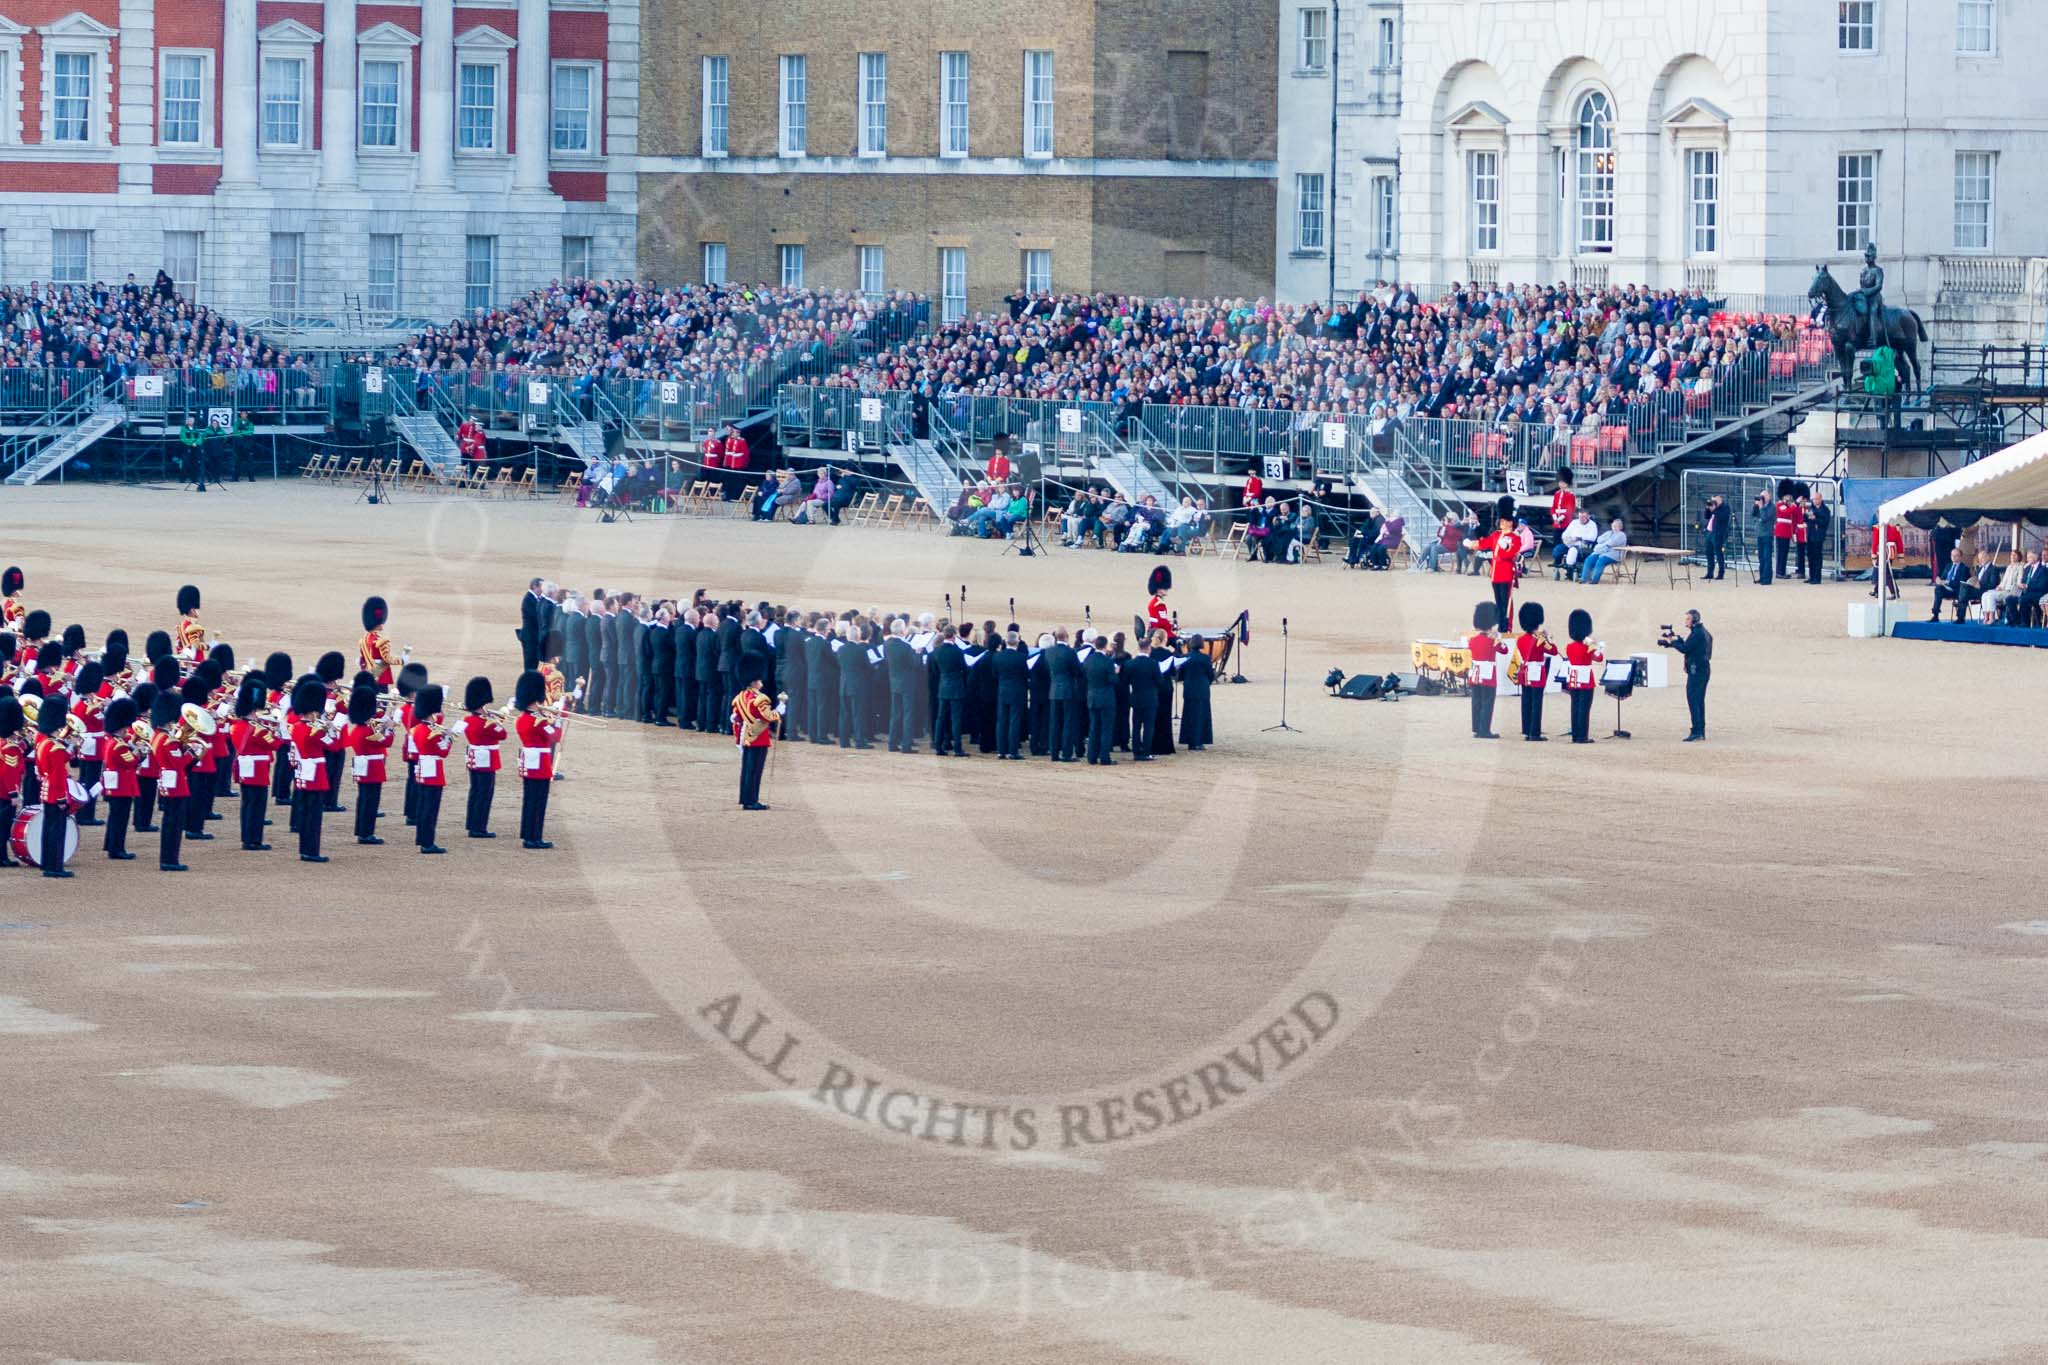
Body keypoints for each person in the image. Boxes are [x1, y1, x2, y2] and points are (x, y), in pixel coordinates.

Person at [229, 676, 280, 851]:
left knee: (247, 803)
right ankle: (253, 840)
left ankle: (247, 837)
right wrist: (278, 728)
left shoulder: (238, 725)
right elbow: (274, 744)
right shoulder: (256, 728)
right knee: (257, 805)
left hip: (244, 767)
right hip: (257, 769)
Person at [513, 670, 561, 846]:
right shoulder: (538, 721)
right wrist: (557, 721)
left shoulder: (523, 718)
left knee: (529, 799)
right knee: (538, 801)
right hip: (540, 763)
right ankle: (535, 837)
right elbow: (555, 737)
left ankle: (528, 834)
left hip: (529, 760)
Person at [287, 678, 332, 863]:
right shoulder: (314, 731)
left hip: (303, 772)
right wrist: (329, 728)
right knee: (313, 815)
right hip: (315, 773)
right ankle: (312, 851)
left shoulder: (296, 727)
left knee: (305, 812)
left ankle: (305, 848)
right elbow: (333, 746)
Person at [149, 691, 195, 872]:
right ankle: (170, 860)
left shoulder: (158, 736)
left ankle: (168, 859)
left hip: (168, 781)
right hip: (176, 783)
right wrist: (191, 752)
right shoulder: (168, 740)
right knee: (174, 824)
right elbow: (179, 763)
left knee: (170, 821)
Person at [31, 697, 74, 877]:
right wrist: (62, 798)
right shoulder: (55, 747)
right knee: (57, 831)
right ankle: (55, 867)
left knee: (48, 829)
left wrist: (71, 749)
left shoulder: (44, 744)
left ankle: (46, 863)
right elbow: (58, 775)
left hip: (46, 791)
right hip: (55, 792)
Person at [345, 685, 393, 845]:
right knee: (371, 800)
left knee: (364, 798)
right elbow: (387, 742)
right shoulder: (367, 731)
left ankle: (361, 830)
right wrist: (389, 729)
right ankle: (366, 833)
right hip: (372, 768)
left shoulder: (359, 729)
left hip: (363, 765)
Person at [97, 697, 142, 861]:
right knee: (120, 818)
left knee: (114, 815)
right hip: (122, 785)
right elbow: (131, 761)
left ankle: (110, 844)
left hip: (114, 783)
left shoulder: (111, 741)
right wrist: (140, 752)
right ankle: (117, 849)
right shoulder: (119, 745)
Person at [1660, 610, 1713, 741]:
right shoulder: (1701, 632)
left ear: (1694, 620)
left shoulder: (1697, 633)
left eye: (1688, 619)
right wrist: (1676, 641)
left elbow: (1685, 649)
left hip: (1697, 672)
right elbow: (1690, 646)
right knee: (1699, 700)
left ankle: (1696, 731)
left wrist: (1672, 643)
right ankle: (1700, 730)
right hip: (1702, 670)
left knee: (1693, 700)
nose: (1686, 621)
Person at [462, 676, 505, 838]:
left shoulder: (469, 719)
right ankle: (479, 827)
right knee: (484, 793)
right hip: (486, 759)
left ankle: (472, 824)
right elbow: (503, 735)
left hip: (474, 757)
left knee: (475, 791)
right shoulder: (486, 722)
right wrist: (496, 721)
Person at [731, 671, 781, 811]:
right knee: (755, 771)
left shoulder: (740, 697)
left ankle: (746, 799)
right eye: (759, 681)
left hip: (746, 737)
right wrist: (779, 711)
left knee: (747, 769)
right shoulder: (760, 699)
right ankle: (752, 801)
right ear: (753, 682)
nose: (761, 684)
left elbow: (736, 718)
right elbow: (767, 716)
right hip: (758, 738)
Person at [1466, 516, 1521, 631]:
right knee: (1499, 601)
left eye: (1505, 521)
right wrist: (1471, 544)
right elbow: (1485, 543)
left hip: (1506, 572)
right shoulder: (1496, 534)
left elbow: (1511, 554)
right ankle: (1501, 623)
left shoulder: (1515, 538)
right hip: (1495, 573)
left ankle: (1506, 626)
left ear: (1511, 523)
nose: (1502, 523)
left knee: (1506, 601)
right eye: (1502, 520)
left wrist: (1506, 547)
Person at [1511, 602, 1556, 743]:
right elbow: (1553, 651)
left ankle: (1527, 729)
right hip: (1537, 671)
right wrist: (1547, 639)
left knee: (1526, 700)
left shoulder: (1521, 639)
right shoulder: (1539, 640)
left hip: (1526, 672)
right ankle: (1534, 732)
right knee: (1537, 701)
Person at [1562, 609, 1604, 744]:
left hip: (1574, 678)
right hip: (1585, 679)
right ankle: (1582, 736)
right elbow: (1599, 658)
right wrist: (1596, 647)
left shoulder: (1569, 646)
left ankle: (1575, 735)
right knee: (1584, 708)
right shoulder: (1587, 647)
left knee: (1575, 706)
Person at [1465, 603, 1501, 739]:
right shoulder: (1492, 641)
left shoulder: (1473, 640)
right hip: (1488, 674)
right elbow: (1504, 650)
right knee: (1487, 701)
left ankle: (1477, 729)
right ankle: (1485, 730)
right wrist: (1497, 638)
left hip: (1475, 673)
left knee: (1477, 701)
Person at [1046, 627, 1081, 762]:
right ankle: (1066, 753)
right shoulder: (1070, 652)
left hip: (1054, 690)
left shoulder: (1049, 652)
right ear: (1066, 637)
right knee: (1067, 722)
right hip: (1068, 690)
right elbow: (1077, 671)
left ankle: (1054, 753)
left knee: (1054, 722)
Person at [1083, 635, 1119, 765]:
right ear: (1104, 646)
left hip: (1092, 696)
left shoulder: (1088, 660)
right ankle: (1104, 757)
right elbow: (1114, 680)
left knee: (1094, 728)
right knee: (1106, 728)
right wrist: (1116, 672)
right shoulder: (1108, 662)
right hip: (1106, 698)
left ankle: (1091, 756)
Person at [992, 632, 1029, 759]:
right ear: (1017, 642)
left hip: (1002, 690)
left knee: (1001, 721)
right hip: (1017, 691)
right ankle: (1013, 751)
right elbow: (1026, 675)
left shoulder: (997, 656)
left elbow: (994, 674)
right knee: (1014, 721)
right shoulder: (1022, 657)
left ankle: (1001, 750)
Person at [1176, 638, 1214, 750]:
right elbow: (1210, 674)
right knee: (1201, 715)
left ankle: (1190, 740)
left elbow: (1180, 675)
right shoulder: (1206, 658)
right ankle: (1198, 741)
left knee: (1189, 715)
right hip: (1202, 689)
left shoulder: (1185, 657)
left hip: (1189, 689)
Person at [357, 596, 401, 689]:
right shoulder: (381, 640)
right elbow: (388, 659)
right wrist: (403, 659)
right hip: (381, 677)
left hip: (369, 676)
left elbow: (362, 660)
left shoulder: (363, 640)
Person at [1580, 518, 1630, 585]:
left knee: (1601, 560)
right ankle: (1584, 579)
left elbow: (1612, 543)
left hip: (1614, 554)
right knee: (1589, 559)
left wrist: (1604, 542)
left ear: (1620, 527)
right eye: (1613, 526)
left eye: (1616, 526)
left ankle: (1594, 580)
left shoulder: (1621, 535)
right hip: (1602, 551)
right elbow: (1598, 539)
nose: (1614, 528)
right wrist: (1606, 542)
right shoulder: (1609, 533)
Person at [1554, 510, 1599, 579]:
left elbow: (1593, 537)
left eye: (1584, 517)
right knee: (1558, 549)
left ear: (1588, 516)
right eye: (1580, 517)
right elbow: (1565, 534)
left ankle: (1570, 569)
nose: (1581, 519)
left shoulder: (1592, 525)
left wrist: (1579, 537)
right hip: (1569, 544)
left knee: (1574, 550)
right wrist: (1567, 538)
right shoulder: (1574, 522)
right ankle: (1557, 567)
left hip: (1583, 546)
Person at [1930, 548, 1972, 622]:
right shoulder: (1948, 566)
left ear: (1960, 557)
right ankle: (1935, 615)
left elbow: (1961, 583)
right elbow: (1943, 578)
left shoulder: (1964, 568)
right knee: (1938, 589)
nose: (1954, 557)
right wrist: (1939, 581)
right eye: (1952, 556)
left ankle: (1960, 618)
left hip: (1957, 591)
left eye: (1956, 556)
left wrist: (1948, 582)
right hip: (1947, 589)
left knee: (1962, 593)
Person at [1805, 488, 1832, 584]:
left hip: (1818, 536)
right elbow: (1806, 519)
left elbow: (1824, 522)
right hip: (1810, 535)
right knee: (1810, 556)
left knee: (1817, 557)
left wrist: (1815, 519)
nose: (1815, 501)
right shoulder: (1810, 508)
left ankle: (1817, 577)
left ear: (1821, 499)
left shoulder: (1825, 510)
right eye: (1814, 499)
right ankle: (1811, 576)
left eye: (1817, 499)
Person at [1700, 496, 1729, 581]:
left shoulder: (1725, 508)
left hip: (1718, 533)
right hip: (1710, 532)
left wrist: (1715, 509)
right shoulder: (1714, 508)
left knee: (1718, 553)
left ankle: (1721, 573)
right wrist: (1707, 508)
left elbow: (1722, 518)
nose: (1714, 502)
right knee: (1708, 552)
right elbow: (1707, 516)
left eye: (1715, 501)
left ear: (1720, 500)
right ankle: (1710, 573)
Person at [1146, 565, 1175, 640]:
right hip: (1161, 633)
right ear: (1158, 589)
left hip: (1154, 631)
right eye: (1164, 588)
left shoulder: (1154, 602)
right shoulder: (1159, 604)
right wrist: (1172, 625)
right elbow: (1162, 623)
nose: (1166, 589)